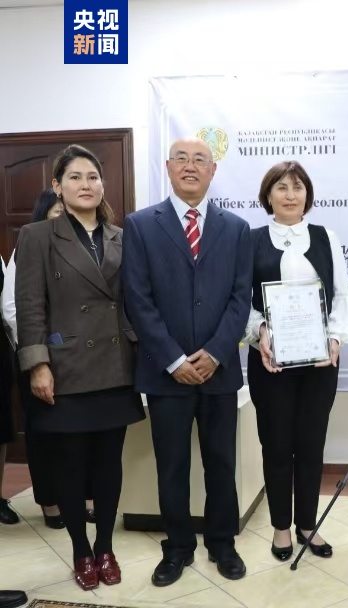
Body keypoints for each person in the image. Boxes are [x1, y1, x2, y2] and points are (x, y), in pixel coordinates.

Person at [122, 137, 252, 586]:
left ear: (213, 171)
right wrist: (173, 359)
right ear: (168, 167)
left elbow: (240, 298)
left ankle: (222, 543)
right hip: (166, 374)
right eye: (182, 159)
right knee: (172, 466)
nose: (190, 166)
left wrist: (215, 352)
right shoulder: (141, 225)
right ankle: (177, 547)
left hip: (220, 371)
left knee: (221, 464)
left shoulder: (236, 228)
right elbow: (137, 299)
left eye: (200, 159)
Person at [15, 145, 145, 591]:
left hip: (115, 366)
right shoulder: (37, 236)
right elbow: (30, 307)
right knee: (70, 467)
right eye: (75, 177)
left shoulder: (122, 236)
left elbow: (134, 301)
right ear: (57, 186)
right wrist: (38, 364)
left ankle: (105, 546)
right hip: (65, 368)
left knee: (109, 466)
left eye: (93, 176)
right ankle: (80, 550)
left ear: (103, 185)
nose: (85, 184)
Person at [243, 161, 348, 561]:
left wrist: (336, 337)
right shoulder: (250, 240)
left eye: (297, 187)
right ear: (267, 195)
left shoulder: (326, 237)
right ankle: (280, 528)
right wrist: (260, 331)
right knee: (276, 446)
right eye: (281, 187)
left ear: (307, 194)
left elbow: (342, 294)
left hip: (320, 363)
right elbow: (241, 300)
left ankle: (308, 524)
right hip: (270, 362)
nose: (290, 195)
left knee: (311, 444)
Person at [0, 190, 90, 530]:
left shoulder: (87, 246)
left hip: (82, 360)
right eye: (57, 211)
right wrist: (39, 352)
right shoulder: (29, 246)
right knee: (45, 437)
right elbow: (13, 308)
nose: (64, 216)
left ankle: (81, 500)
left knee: (80, 437)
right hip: (41, 359)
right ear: (43, 215)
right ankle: (51, 505)